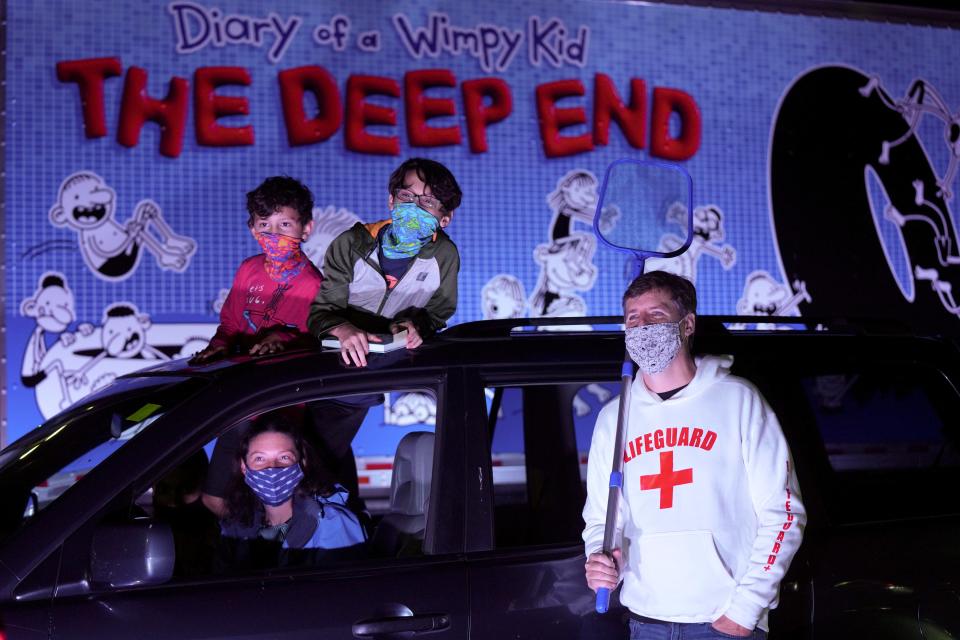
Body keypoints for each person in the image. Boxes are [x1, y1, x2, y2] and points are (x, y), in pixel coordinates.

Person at [582, 271, 805, 639]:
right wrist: (605, 559)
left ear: (687, 324)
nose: (642, 327)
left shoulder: (738, 401)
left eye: (655, 315)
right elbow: (602, 520)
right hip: (646, 621)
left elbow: (783, 513)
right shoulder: (614, 418)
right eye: (633, 318)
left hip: (721, 624)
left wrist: (745, 610)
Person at [308, 157, 462, 368]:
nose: (413, 207)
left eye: (427, 201)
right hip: (341, 366)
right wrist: (342, 329)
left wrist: (414, 326)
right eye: (406, 195)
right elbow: (320, 314)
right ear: (392, 200)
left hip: (400, 367)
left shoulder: (445, 255)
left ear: (445, 218)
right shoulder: (351, 244)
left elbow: (438, 313)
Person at [191, 175, 322, 364]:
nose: (274, 234)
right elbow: (230, 325)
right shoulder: (248, 270)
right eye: (264, 225)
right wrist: (219, 344)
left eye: (285, 224)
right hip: (244, 376)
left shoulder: (314, 285)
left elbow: (313, 342)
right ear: (253, 230)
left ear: (306, 229)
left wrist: (282, 339)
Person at [216, 413, 366, 570]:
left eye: (284, 457)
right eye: (260, 459)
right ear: (244, 467)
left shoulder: (333, 524)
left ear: (303, 462)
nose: (272, 468)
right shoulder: (235, 528)